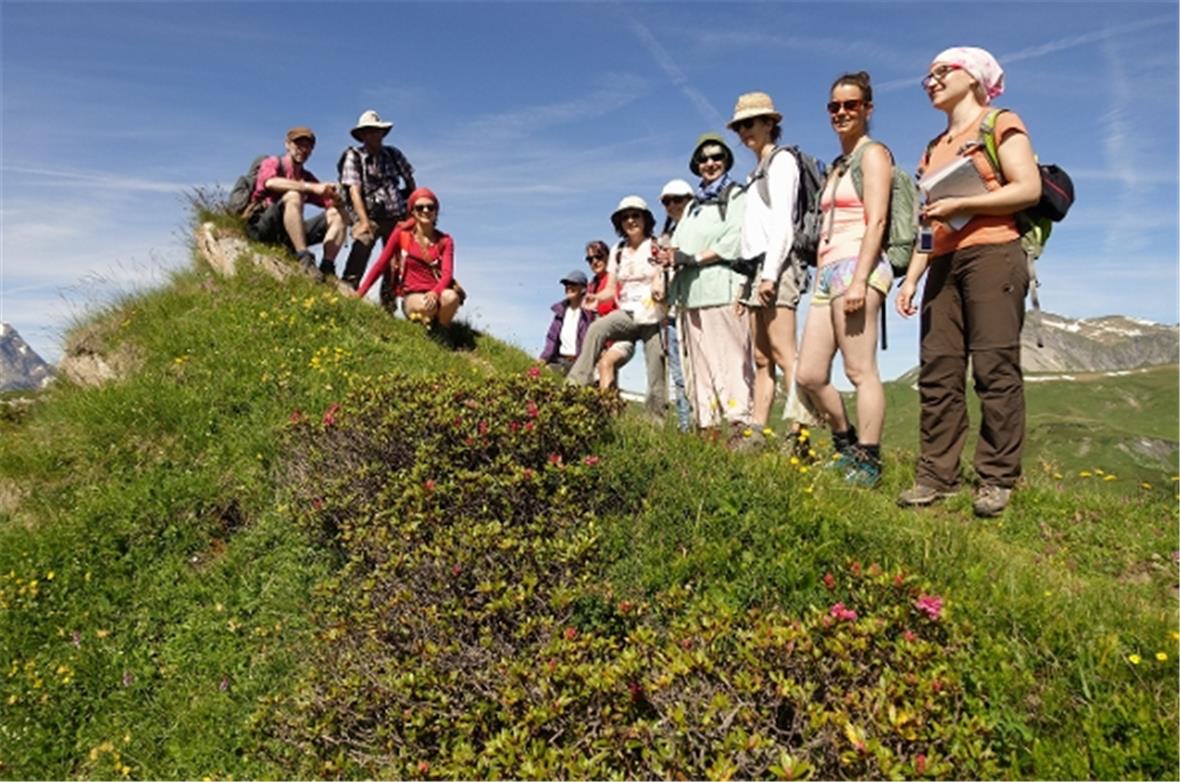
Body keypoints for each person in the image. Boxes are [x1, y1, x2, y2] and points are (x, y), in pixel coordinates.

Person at [895, 47, 1041, 517]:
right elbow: (927, 224)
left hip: (994, 252)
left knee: (994, 367)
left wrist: (963, 205)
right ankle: (936, 477)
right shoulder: (933, 148)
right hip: (942, 262)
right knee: (938, 370)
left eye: (943, 71)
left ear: (974, 77)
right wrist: (911, 279)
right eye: (928, 76)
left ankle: (997, 478)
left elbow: (1028, 187)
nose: (932, 81)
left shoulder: (999, 123)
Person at [796, 72, 894, 487]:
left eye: (850, 105)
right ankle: (845, 442)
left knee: (859, 369)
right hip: (827, 272)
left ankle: (868, 461)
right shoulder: (839, 166)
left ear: (867, 109)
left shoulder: (874, 155)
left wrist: (859, 281)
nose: (841, 112)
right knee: (809, 374)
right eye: (834, 106)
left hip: (857, 265)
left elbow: (878, 221)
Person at [729, 92, 821, 447]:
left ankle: (799, 433)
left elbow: (783, 223)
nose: (745, 132)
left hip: (778, 266)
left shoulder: (782, 162)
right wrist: (746, 284)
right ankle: (757, 431)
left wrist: (770, 274)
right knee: (762, 356)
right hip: (758, 269)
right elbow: (754, 231)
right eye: (740, 126)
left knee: (784, 353)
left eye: (751, 123)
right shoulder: (755, 172)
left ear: (770, 123)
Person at [663, 134, 754, 441]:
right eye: (703, 159)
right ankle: (708, 435)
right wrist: (669, 256)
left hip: (722, 289)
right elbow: (679, 244)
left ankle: (740, 432)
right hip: (689, 296)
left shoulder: (735, 195)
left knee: (731, 363)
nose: (710, 163)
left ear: (726, 160)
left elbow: (736, 239)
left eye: (717, 157)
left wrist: (693, 257)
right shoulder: (692, 206)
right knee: (699, 370)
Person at [567, 197, 666, 418]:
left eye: (635, 215)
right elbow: (611, 289)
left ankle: (655, 421)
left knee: (656, 366)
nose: (630, 221)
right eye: (625, 217)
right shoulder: (618, 250)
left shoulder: (657, 245)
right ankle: (573, 388)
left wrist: (659, 283)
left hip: (653, 314)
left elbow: (665, 273)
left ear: (645, 219)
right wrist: (596, 297)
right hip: (627, 313)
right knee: (597, 328)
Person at [244, 126, 348, 281]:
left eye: (308, 146)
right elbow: (270, 182)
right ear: (287, 144)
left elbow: (328, 202)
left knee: (335, 214)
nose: (303, 150)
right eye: (299, 145)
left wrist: (337, 199)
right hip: (263, 226)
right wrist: (309, 187)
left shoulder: (306, 176)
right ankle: (304, 257)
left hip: (288, 233)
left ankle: (327, 266)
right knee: (293, 196)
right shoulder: (273, 162)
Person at [338, 110, 416, 309]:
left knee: (394, 260)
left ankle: (388, 304)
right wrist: (364, 221)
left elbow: (409, 180)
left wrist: (412, 211)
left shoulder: (394, 154)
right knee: (362, 245)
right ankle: (348, 291)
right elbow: (354, 190)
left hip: (396, 215)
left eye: (377, 131)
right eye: (368, 131)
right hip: (369, 214)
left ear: (382, 133)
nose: (373, 135)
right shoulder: (354, 156)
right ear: (362, 135)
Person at [355, 188, 463, 327]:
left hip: (436, 293)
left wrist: (435, 293)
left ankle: (441, 331)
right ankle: (429, 325)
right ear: (412, 211)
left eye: (430, 207)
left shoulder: (445, 241)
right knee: (426, 306)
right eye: (420, 207)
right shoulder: (401, 234)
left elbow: (447, 274)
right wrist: (360, 293)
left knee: (451, 298)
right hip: (413, 295)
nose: (425, 210)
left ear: (436, 211)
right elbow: (381, 265)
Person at [657, 178, 697, 433]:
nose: (672, 205)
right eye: (667, 201)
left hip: (696, 307)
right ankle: (686, 428)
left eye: (677, 199)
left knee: (700, 371)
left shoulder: (699, 232)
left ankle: (706, 426)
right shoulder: (664, 238)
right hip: (671, 312)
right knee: (679, 375)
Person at [580, 240, 635, 390]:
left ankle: (605, 405)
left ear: (608, 257)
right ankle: (610, 403)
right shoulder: (592, 286)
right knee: (603, 380)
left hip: (621, 337)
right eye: (590, 259)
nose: (594, 262)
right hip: (600, 341)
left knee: (606, 364)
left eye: (599, 256)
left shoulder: (617, 280)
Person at [539, 269, 593, 375]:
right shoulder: (560, 312)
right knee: (543, 374)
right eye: (566, 284)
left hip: (580, 363)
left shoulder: (588, 314)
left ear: (583, 289)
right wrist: (543, 358)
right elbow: (552, 339)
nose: (568, 287)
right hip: (560, 361)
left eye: (573, 284)